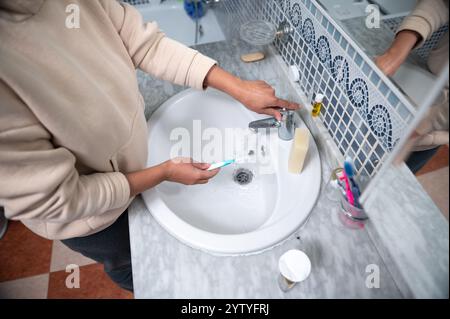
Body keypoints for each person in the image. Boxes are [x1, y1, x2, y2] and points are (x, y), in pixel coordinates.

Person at [0, 0, 299, 292]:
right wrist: (164, 172)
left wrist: (239, 88)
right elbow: (63, 199)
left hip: (134, 166)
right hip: (92, 219)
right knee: (136, 268)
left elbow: (145, 44)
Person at [376, 0, 449, 174]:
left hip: (435, 131)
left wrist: (428, 125)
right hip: (431, 77)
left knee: (391, 180)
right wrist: (398, 48)